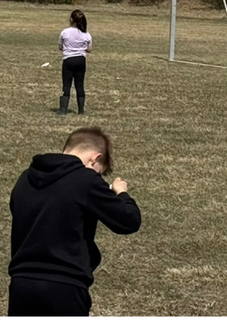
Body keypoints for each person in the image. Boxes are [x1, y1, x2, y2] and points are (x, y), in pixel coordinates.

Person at [8, 126, 141, 316]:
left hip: (21, 284)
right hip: (65, 286)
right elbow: (129, 221)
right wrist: (122, 193)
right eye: (98, 172)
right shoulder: (85, 179)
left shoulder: (25, 178)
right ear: (95, 158)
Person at [59, 9, 92, 115]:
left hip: (68, 60)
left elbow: (60, 47)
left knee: (67, 85)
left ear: (71, 19)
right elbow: (89, 49)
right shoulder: (86, 34)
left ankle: (63, 109)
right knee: (79, 85)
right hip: (81, 60)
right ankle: (81, 110)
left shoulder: (65, 32)